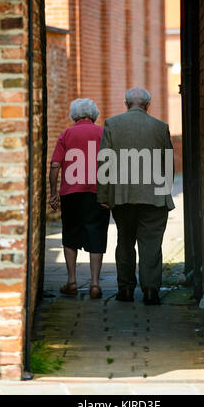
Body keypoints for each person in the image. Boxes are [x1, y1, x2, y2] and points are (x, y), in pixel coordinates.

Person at [97, 88, 175, 305]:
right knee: (151, 245)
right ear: (148, 105)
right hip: (154, 197)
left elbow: (104, 162)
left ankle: (126, 290)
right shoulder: (160, 127)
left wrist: (103, 195)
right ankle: (150, 291)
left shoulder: (112, 124)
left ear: (126, 103)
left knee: (125, 242)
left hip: (122, 196)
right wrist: (163, 189)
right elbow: (168, 164)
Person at [49, 98, 110, 299]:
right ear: (94, 114)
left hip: (71, 192)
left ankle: (72, 281)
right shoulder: (103, 133)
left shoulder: (66, 134)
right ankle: (94, 284)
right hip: (97, 192)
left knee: (70, 234)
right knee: (96, 233)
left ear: (74, 114)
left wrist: (53, 193)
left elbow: (55, 165)